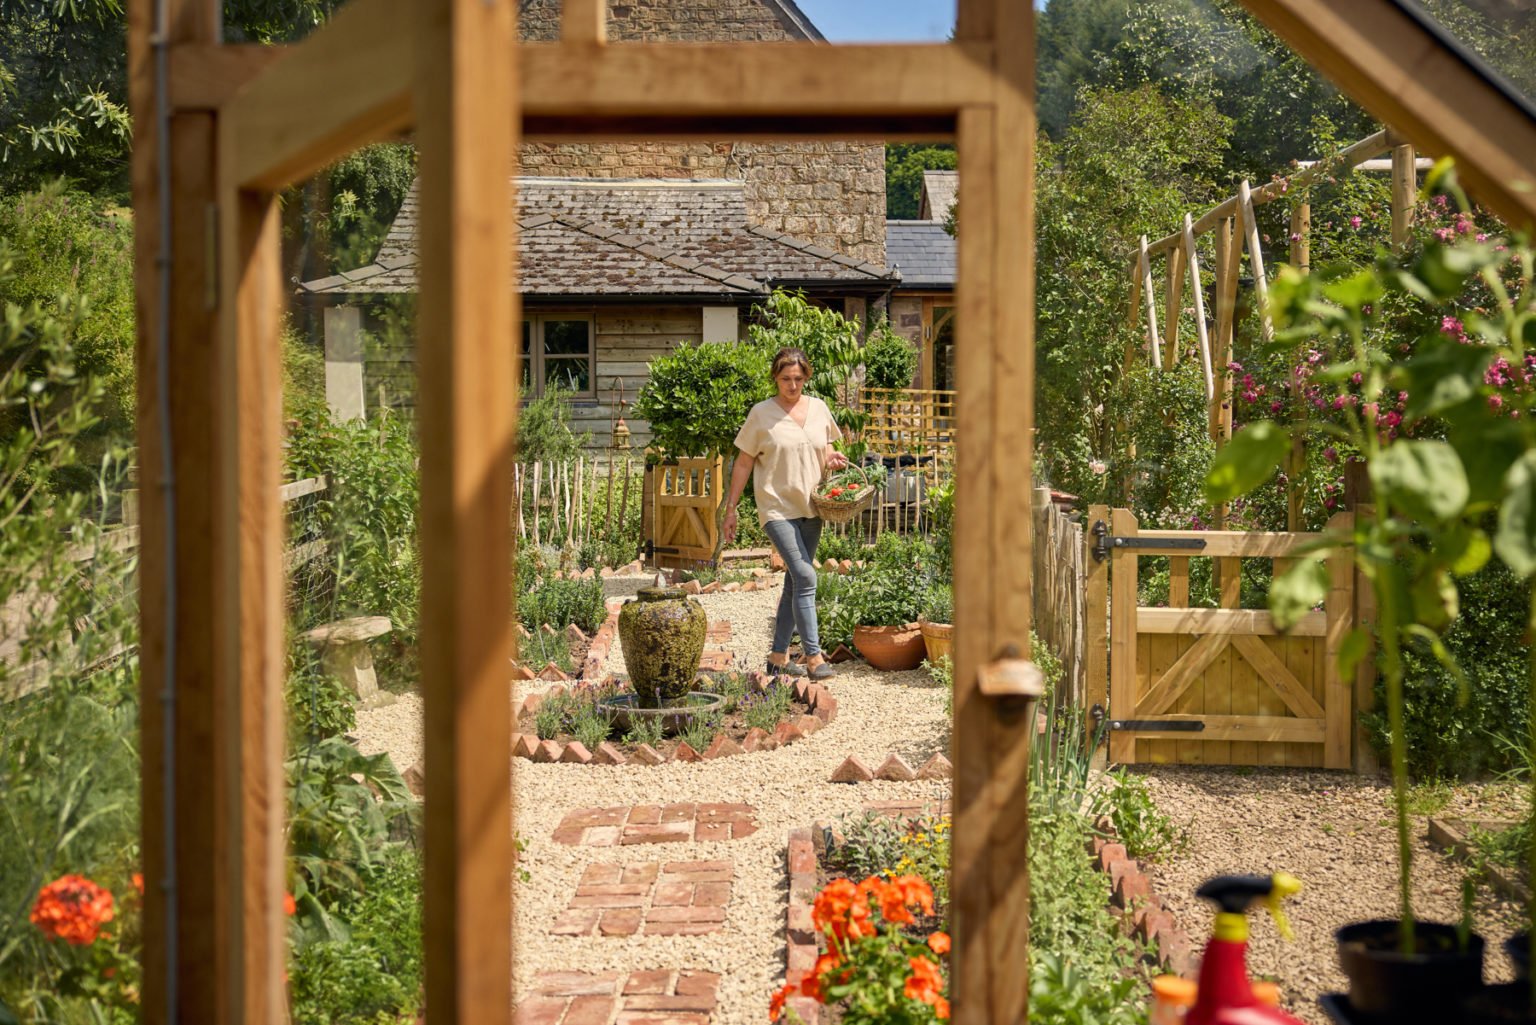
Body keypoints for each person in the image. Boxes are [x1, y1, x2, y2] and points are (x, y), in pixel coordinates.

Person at [723, 346, 849, 681]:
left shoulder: (819, 409)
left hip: (812, 506)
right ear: (775, 378)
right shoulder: (761, 414)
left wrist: (832, 459)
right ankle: (813, 657)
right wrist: (731, 508)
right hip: (776, 507)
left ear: (806, 377)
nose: (792, 385)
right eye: (785, 379)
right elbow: (745, 462)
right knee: (807, 576)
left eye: (797, 379)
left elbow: (825, 449)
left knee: (795, 583)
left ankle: (777, 657)